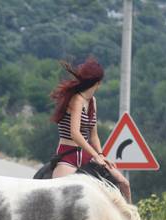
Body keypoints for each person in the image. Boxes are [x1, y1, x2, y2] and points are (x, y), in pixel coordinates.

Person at [50, 57, 131, 202]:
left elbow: (93, 135)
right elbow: (75, 134)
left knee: (124, 183)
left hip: (87, 156)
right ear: (98, 83)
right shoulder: (76, 100)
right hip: (69, 155)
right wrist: (96, 156)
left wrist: (101, 154)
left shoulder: (93, 101)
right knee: (59, 198)